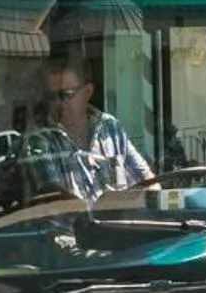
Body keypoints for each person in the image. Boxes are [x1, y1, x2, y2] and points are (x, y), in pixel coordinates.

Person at [40, 56, 155, 201]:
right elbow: (59, 206)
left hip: (118, 222)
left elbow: (148, 180)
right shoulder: (42, 142)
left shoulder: (110, 128)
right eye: (52, 96)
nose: (59, 103)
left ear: (87, 91)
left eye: (66, 95)